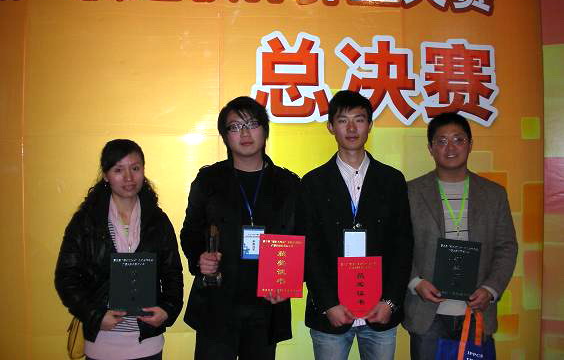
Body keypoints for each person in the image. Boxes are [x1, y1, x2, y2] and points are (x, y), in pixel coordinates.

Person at [180, 96, 300, 360]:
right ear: (225, 136)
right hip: (217, 303)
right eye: (235, 127)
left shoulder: (288, 184)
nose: (245, 133)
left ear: (265, 130)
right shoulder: (209, 180)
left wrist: (290, 280)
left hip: (267, 305)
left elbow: (302, 238)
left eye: (252, 124)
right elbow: (190, 232)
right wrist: (199, 258)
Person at [301, 90, 413, 360]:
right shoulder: (313, 183)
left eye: (359, 120)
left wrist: (390, 302)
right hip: (331, 314)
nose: (351, 128)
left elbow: (403, 245)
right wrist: (328, 303)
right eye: (343, 120)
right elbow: (309, 249)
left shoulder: (392, 180)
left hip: (380, 312)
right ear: (331, 127)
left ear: (370, 125)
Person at [403, 112, 518, 360]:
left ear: (470, 144)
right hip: (427, 314)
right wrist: (415, 282)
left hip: (477, 311)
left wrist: (491, 289)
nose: (450, 148)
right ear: (430, 148)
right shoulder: (410, 192)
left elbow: (507, 247)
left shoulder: (494, 194)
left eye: (458, 139)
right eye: (442, 141)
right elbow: (398, 246)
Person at [55, 139, 184, 360]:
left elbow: (172, 272)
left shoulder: (157, 220)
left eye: (135, 168)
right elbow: (66, 277)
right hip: (102, 343)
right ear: (106, 176)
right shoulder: (86, 221)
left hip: (147, 343)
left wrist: (167, 309)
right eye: (118, 170)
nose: (128, 178)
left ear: (143, 171)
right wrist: (95, 316)